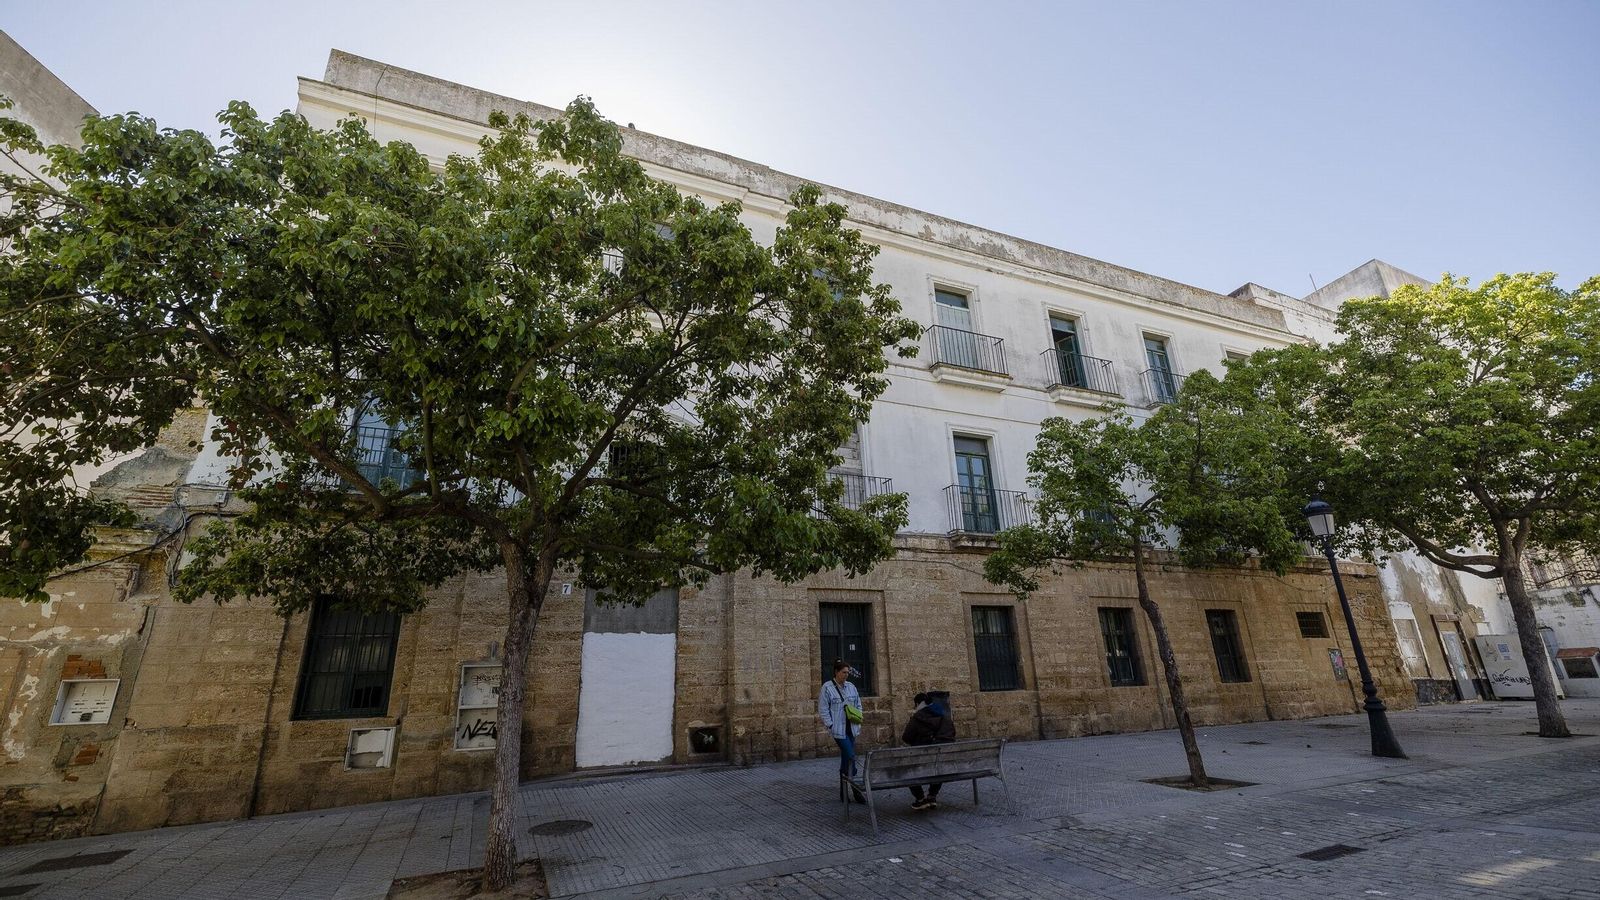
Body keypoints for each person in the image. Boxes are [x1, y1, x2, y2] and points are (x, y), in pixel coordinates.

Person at [819, 659, 866, 802]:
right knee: (851, 756)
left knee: (846, 758)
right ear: (836, 672)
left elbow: (858, 704)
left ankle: (843, 792)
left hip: (852, 728)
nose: (846, 675)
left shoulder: (851, 687)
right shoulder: (827, 688)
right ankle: (855, 788)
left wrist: (860, 717)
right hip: (839, 730)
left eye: (848, 672)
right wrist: (830, 725)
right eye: (843, 672)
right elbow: (823, 709)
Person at [901, 690, 955, 810]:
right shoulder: (945, 715)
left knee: (907, 769)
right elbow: (951, 735)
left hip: (922, 760)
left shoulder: (917, 718)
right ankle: (932, 796)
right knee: (938, 763)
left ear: (917, 704)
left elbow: (906, 737)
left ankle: (920, 799)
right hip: (943, 760)